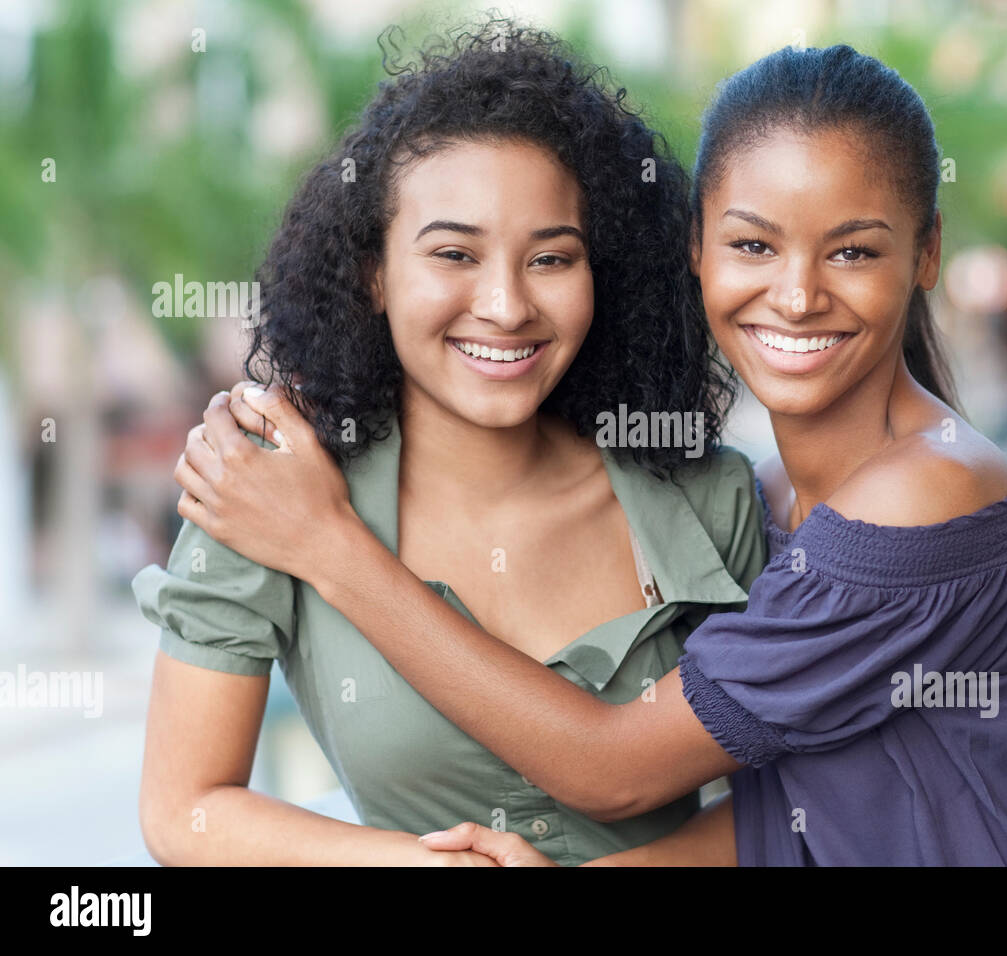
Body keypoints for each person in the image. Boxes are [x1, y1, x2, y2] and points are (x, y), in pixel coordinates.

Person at [181, 44, 1007, 866]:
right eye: (753, 246)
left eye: (853, 251)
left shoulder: (920, 493)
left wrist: (327, 544)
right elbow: (792, 811)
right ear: (694, 251)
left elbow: (612, 764)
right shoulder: (774, 496)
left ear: (927, 253)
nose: (797, 293)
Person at [132, 20, 766, 866]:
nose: (505, 306)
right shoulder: (266, 493)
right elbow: (185, 809)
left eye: (551, 259)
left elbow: (788, 808)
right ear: (374, 272)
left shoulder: (707, 498)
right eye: (454, 254)